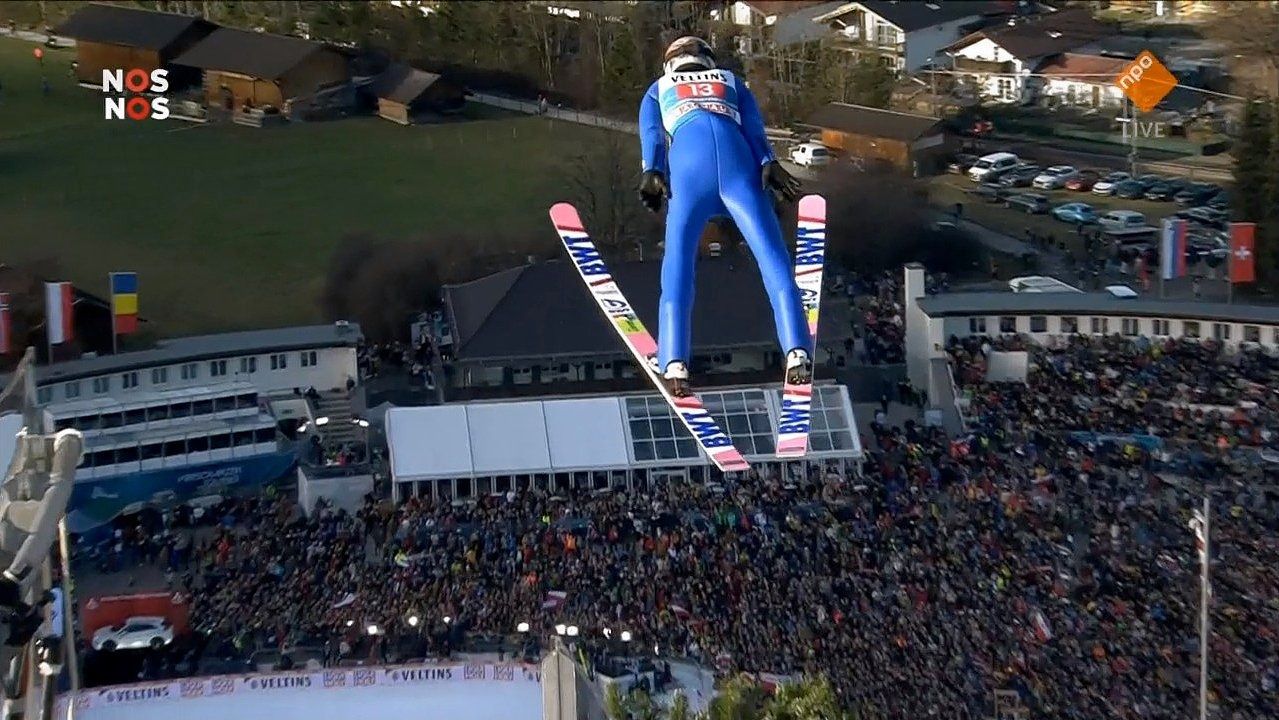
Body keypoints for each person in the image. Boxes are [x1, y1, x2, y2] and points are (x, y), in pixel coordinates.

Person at [637, 36, 808, 397]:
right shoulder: (731, 81)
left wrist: (653, 171)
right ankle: (796, 351)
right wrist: (769, 162)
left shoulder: (658, 88)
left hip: (689, 167)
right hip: (738, 165)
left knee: (679, 266)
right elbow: (754, 128)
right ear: (707, 61)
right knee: (773, 260)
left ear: (670, 63)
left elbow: (652, 132)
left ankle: (675, 362)